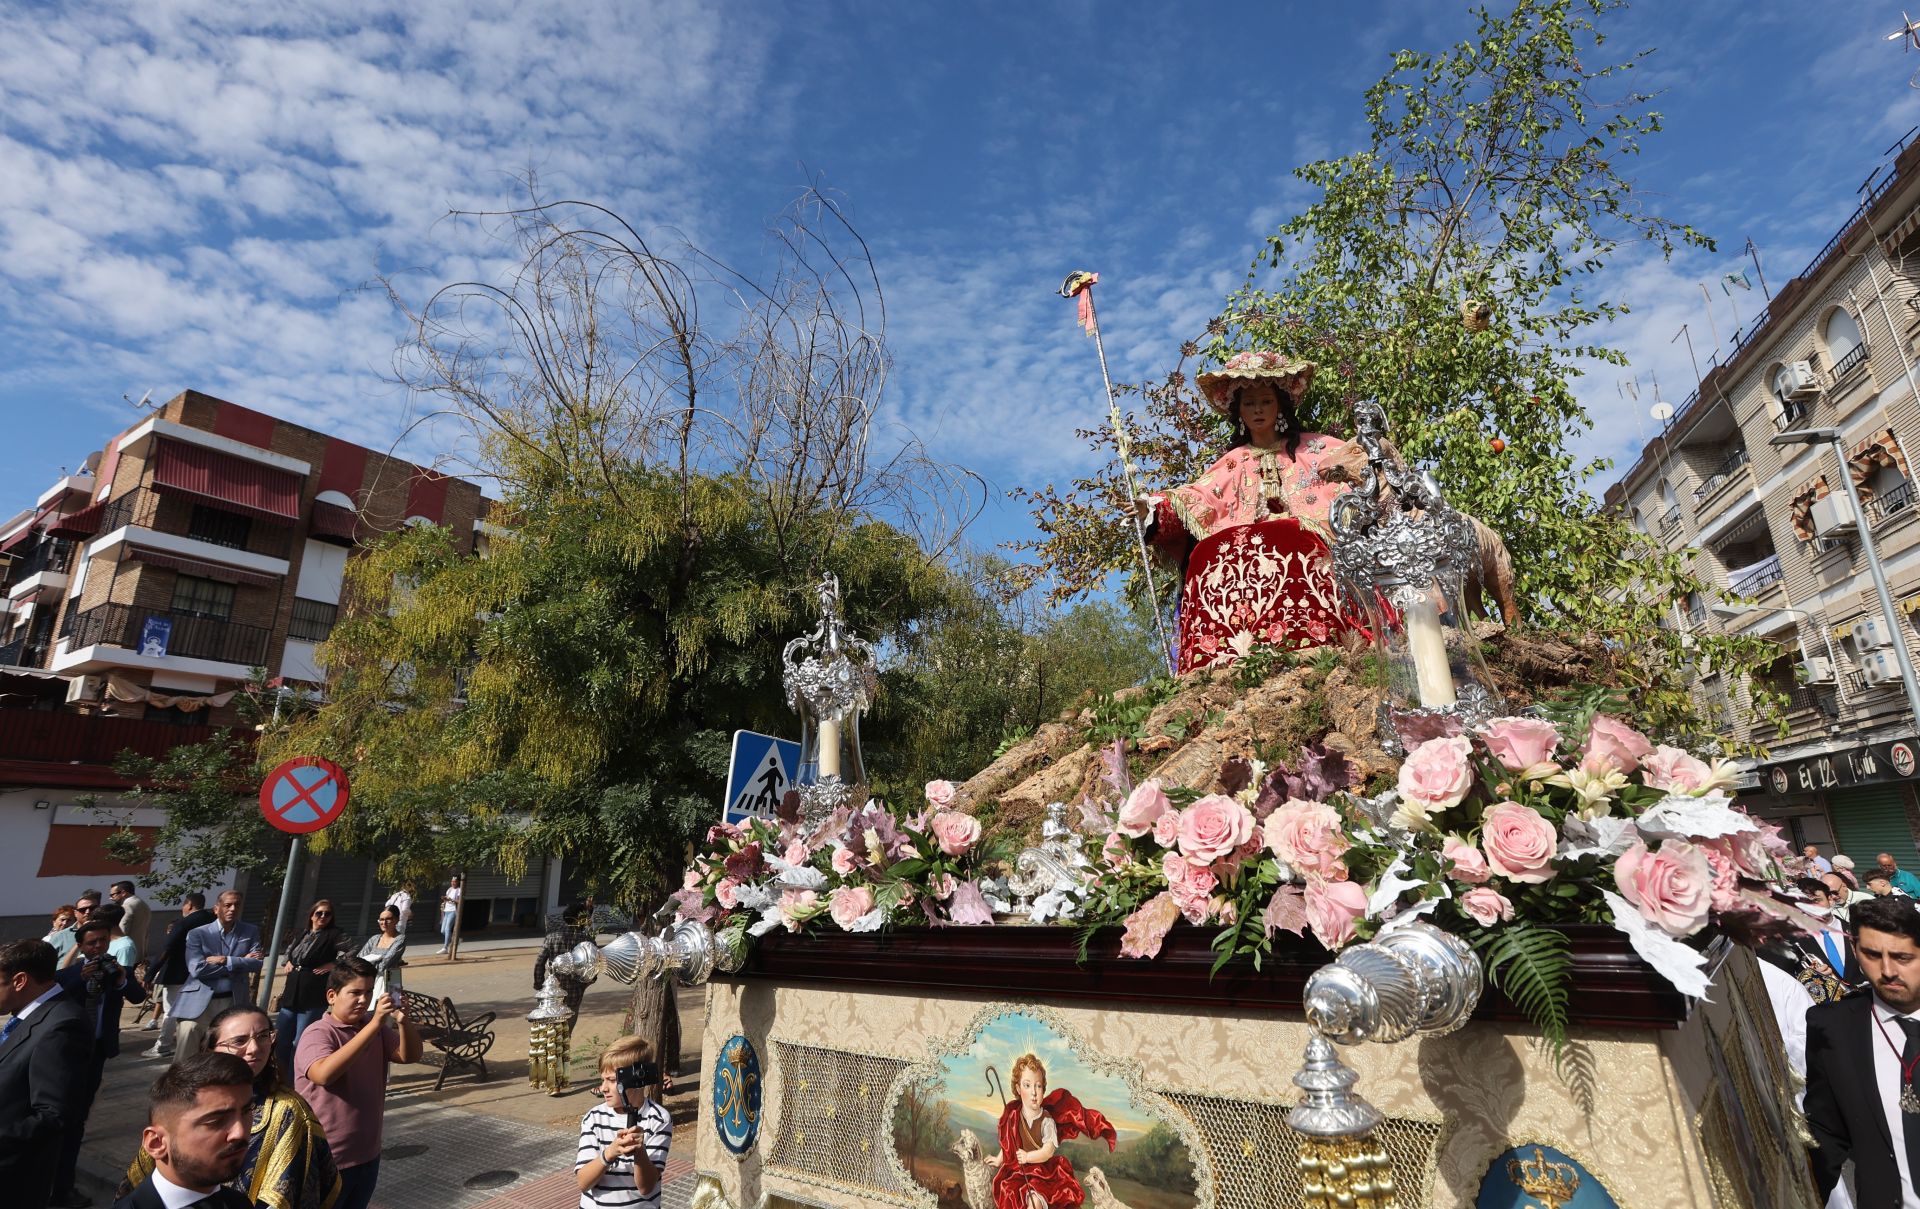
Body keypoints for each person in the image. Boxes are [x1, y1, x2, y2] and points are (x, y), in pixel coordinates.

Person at [121, 1006, 342, 1209]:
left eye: (263, 1036)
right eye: (239, 1041)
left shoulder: (288, 1108)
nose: (254, 1049)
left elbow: (287, 1189)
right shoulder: (183, 1095)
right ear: (211, 1048)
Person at [1807, 894, 1920, 1205]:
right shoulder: (1833, 1027)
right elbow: (1825, 1132)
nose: (1887, 971)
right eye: (1872, 954)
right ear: (1855, 950)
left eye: (1902, 957)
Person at [294, 957, 422, 1209]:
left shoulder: (373, 1027)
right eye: (355, 993)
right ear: (332, 996)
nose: (363, 1000)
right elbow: (323, 1074)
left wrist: (403, 1022)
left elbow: (410, 1055)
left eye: (368, 992)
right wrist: (374, 1024)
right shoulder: (318, 1033)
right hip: (328, 1158)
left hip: (368, 1154)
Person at [50, 917, 149, 1208]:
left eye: (103, 941)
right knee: (59, 1118)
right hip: (67, 1055)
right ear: (80, 946)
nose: (98, 947)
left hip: (97, 1052)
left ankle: (63, 1185)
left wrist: (120, 979)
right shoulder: (68, 975)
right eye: (91, 943)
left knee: (78, 1119)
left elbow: (138, 996)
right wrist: (79, 979)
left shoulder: (115, 971)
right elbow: (53, 999)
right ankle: (52, 1181)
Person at [0, 938, 90, 1208]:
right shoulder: (27, 1015)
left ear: (20, 981)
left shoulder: (62, 1026)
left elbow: (54, 1116)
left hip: (12, 1180)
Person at [112, 1052, 256, 1209]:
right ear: (156, 1143)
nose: (240, 1132)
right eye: (215, 1122)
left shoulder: (239, 1203)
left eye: (246, 1111)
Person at [987, 1052, 1117, 1209]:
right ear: (1018, 1088)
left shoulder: (1047, 1121)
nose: (1034, 1092)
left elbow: (1048, 1151)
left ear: (1043, 1089)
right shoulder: (1013, 1115)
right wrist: (999, 1159)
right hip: (1018, 1173)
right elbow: (1009, 1142)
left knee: (1035, 1202)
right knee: (1010, 1194)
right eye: (1027, 1085)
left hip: (1043, 1174)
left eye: (1038, 1086)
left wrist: (1028, 1156)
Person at [574, 1035, 670, 1209]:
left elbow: (646, 1187)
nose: (603, 1088)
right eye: (602, 1079)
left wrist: (639, 1152)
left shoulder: (658, 1118)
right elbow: (583, 1182)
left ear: (636, 1080)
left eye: (611, 1080)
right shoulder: (594, 1118)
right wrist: (610, 1153)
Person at [174, 891, 265, 1061]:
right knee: (187, 1048)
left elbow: (256, 963)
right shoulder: (198, 934)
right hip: (199, 1002)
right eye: (228, 905)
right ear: (216, 909)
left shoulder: (250, 931)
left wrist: (226, 960)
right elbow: (197, 969)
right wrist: (240, 962)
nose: (233, 909)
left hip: (233, 1000)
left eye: (237, 905)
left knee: (226, 1052)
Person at [272, 900, 350, 1081]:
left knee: (301, 1041)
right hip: (292, 991)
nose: (323, 917)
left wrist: (334, 964)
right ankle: (279, 1078)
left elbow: (354, 950)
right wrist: (288, 961)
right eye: (319, 913)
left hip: (313, 993)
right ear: (311, 915)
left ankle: (296, 1080)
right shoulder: (303, 932)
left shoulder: (335, 934)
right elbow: (289, 951)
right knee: (281, 1039)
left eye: (327, 914)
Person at [532, 902, 595, 1095]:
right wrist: (581, 986)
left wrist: (539, 984)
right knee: (564, 1038)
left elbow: (539, 963)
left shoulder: (552, 937)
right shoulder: (586, 940)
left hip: (551, 998)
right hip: (573, 998)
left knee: (549, 1037)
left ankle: (551, 1081)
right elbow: (593, 972)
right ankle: (557, 1082)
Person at [144, 894, 215, 1059]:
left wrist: (151, 973)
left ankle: (162, 1046)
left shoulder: (184, 923)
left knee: (171, 1011)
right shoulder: (213, 921)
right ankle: (200, 1045)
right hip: (204, 973)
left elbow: (167, 948)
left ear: (189, 905)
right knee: (199, 1012)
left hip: (177, 973)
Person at [356, 907, 407, 995]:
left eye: (388, 919)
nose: (384, 922)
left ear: (396, 920)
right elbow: (359, 959)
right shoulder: (374, 938)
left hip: (391, 979)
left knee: (390, 1002)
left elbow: (385, 964)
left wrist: (366, 964)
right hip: (369, 980)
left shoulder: (400, 939)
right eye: (381, 919)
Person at [49, 890, 102, 964]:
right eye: (83, 910)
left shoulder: (109, 932)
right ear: (75, 913)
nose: (87, 912)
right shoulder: (60, 936)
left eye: (92, 908)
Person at [108, 881, 152, 964]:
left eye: (112, 895)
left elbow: (122, 929)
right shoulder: (142, 903)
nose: (110, 898)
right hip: (139, 953)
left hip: (127, 954)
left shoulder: (127, 905)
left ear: (123, 893)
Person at [436, 876, 462, 955]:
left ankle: (445, 948)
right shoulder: (449, 889)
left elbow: (459, 901)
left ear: (458, 882)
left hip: (453, 911)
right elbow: (447, 899)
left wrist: (450, 899)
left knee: (447, 929)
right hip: (446, 910)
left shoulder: (459, 890)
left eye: (455, 881)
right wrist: (444, 900)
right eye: (452, 881)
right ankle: (456, 940)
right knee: (443, 930)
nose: (453, 883)